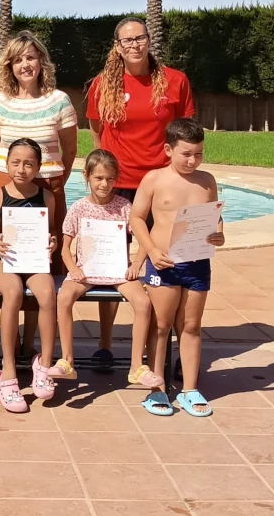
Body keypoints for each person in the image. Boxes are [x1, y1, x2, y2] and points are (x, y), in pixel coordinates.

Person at [85, 17, 195, 371]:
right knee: (113, 264)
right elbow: (96, 127)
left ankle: (167, 348)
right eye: (126, 40)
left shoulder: (175, 82)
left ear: (149, 41)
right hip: (120, 184)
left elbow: (185, 132)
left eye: (140, 38)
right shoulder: (104, 85)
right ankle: (105, 344)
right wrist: (109, 169)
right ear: (117, 46)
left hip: (164, 185)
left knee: (171, 260)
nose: (134, 45)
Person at [0, 30, 78, 358]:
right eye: (18, 59)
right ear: (9, 65)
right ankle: (8, 340)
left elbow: (70, 149)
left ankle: (30, 341)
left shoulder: (59, 100)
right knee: (4, 260)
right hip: (3, 186)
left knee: (42, 264)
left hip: (47, 187)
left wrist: (52, 179)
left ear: (42, 62)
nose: (25, 64)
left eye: (31, 57)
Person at [130, 118, 225, 417]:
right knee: (160, 326)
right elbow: (136, 219)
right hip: (164, 263)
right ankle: (157, 389)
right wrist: (151, 251)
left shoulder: (206, 180)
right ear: (168, 149)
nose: (193, 160)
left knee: (191, 326)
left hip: (197, 262)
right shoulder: (154, 179)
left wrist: (219, 233)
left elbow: (215, 217)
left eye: (198, 153)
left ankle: (190, 389)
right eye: (186, 153)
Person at [50, 149, 163, 394]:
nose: (105, 184)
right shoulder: (79, 208)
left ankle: (137, 366)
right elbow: (65, 247)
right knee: (64, 296)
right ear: (87, 177)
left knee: (143, 303)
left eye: (110, 179)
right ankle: (67, 359)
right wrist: (73, 269)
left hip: (117, 271)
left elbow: (144, 238)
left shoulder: (124, 206)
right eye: (99, 178)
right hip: (87, 271)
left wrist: (136, 265)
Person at [0, 138, 58, 412]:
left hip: (33, 261)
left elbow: (49, 232)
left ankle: (45, 364)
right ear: (7, 164)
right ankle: (8, 368)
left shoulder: (46, 197)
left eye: (28, 164)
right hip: (5, 261)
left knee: (47, 293)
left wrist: (52, 243)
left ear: (38, 167)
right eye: (16, 162)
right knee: (12, 292)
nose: (21, 168)